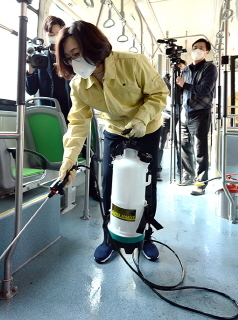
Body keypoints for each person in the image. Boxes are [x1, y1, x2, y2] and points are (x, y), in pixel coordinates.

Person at [54, 20, 169, 264]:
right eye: (68, 57)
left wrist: (140, 119)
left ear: (93, 46)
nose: (74, 61)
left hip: (147, 127)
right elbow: (78, 124)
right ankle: (110, 238)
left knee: (146, 185)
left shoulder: (133, 63)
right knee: (109, 185)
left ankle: (145, 236)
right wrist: (69, 161)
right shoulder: (78, 85)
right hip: (115, 130)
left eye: (77, 53)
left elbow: (159, 94)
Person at [176, 38, 217, 196]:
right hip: (185, 113)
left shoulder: (210, 68)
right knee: (184, 145)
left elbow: (205, 89)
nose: (197, 50)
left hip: (200, 113)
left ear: (206, 52)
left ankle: (200, 183)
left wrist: (184, 85)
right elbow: (181, 92)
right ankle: (189, 175)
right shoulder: (185, 70)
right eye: (194, 47)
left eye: (201, 48)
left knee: (200, 149)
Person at [26, 15, 71, 120]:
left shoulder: (69, 56)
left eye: (58, 34)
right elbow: (31, 90)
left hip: (69, 111)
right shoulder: (40, 58)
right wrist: (30, 65)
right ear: (45, 35)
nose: (55, 37)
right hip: (47, 111)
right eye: (51, 34)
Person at [157, 60, 186, 181]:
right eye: (176, 67)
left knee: (180, 142)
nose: (178, 70)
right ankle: (156, 169)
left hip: (180, 114)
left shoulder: (185, 81)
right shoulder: (161, 80)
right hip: (165, 114)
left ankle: (182, 168)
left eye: (181, 68)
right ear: (170, 68)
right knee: (160, 142)